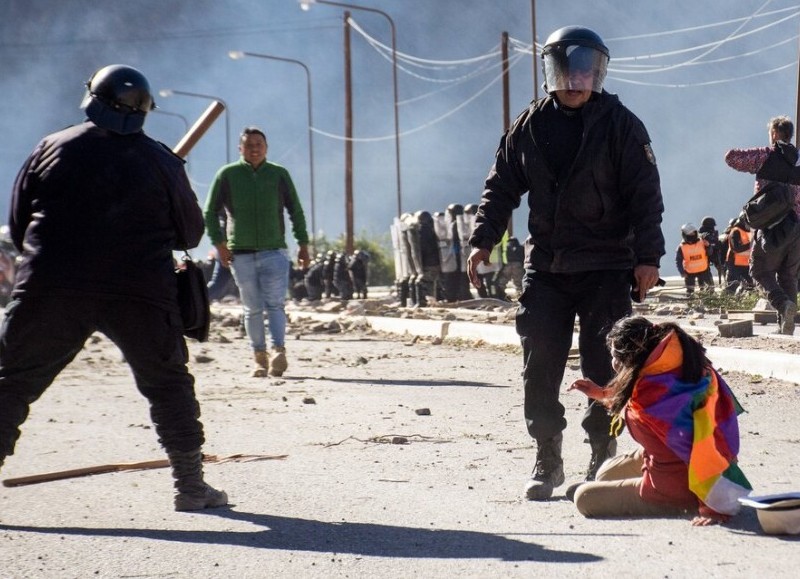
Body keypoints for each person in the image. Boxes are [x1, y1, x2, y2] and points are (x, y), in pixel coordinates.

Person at [0, 64, 227, 511]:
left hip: (52, 286)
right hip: (140, 289)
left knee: (11, 383)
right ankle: (191, 487)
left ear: (92, 98)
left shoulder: (53, 146)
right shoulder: (162, 161)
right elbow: (191, 232)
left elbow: (20, 221)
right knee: (168, 385)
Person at [467, 25, 665, 501]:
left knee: (604, 368)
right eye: (566, 72)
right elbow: (500, 189)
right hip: (548, 268)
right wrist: (482, 240)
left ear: (596, 73)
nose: (575, 82)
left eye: (584, 73)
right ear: (551, 72)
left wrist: (648, 258)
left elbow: (646, 196)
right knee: (540, 362)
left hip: (605, 265)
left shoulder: (622, 125)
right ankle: (548, 456)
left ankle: (603, 453)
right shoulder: (528, 126)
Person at [567, 316, 751, 526]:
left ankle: (685, 500)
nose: (613, 364)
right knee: (606, 473)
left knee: (584, 498)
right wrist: (602, 394)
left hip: (676, 483)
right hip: (666, 457)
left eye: (614, 356)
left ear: (625, 358)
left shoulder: (651, 393)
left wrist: (713, 506)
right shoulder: (675, 364)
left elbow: (699, 450)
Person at [204, 126, 310, 377]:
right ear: (240, 149)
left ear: (266, 148)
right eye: (249, 145)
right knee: (251, 308)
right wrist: (220, 245)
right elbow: (209, 212)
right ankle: (259, 357)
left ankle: (278, 351)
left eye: (259, 145)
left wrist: (303, 244)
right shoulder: (227, 175)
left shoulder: (278, 174)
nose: (254, 149)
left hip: (274, 252)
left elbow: (295, 210)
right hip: (240, 254)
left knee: (275, 304)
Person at [725, 115, 800, 335]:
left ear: (775, 134)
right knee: (788, 275)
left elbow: (732, 158)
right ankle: (785, 326)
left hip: (771, 225)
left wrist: (762, 154)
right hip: (798, 226)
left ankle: (782, 304)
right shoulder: (798, 159)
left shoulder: (766, 156)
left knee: (758, 270)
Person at [675, 223, 714, 295]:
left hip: (704, 270)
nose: (692, 235)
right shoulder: (681, 247)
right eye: (690, 233)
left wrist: (708, 246)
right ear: (685, 234)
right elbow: (678, 261)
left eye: (693, 233)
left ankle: (709, 303)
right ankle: (690, 304)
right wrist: (682, 272)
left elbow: (710, 253)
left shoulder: (702, 242)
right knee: (690, 292)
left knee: (710, 289)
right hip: (689, 273)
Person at [725, 215, 753, 294]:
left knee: (750, 284)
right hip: (734, 263)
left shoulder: (750, 231)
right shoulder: (736, 231)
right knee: (733, 284)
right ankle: (728, 301)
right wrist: (750, 244)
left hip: (747, 263)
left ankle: (745, 299)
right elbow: (736, 248)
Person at [698, 216, 724, 285]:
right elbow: (712, 244)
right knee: (706, 275)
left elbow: (716, 243)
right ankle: (708, 288)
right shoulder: (702, 235)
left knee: (722, 268)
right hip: (705, 256)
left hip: (714, 254)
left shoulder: (712, 233)